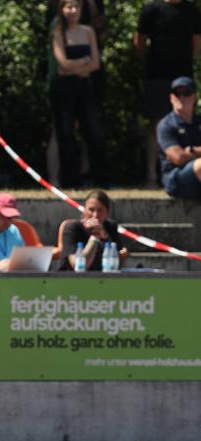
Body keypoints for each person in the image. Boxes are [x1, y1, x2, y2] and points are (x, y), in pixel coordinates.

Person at [135, 0, 201, 187]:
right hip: (156, 75)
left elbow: (196, 41)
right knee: (156, 124)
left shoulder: (192, 10)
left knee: (188, 121)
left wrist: (187, 62)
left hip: (182, 75)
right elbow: (139, 40)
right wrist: (147, 63)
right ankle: (151, 175)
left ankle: (189, 173)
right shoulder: (151, 9)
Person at [50, 0, 106, 188]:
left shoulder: (88, 31)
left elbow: (96, 63)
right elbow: (62, 65)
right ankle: (69, 180)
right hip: (64, 90)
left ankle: (99, 178)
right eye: (69, 7)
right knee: (65, 133)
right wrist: (84, 62)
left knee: (93, 131)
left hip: (85, 87)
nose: (73, 11)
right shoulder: (58, 33)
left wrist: (74, 66)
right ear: (62, 10)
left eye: (76, 7)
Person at [58, 189, 126, 271]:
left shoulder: (111, 227)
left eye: (100, 210)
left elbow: (121, 255)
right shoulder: (72, 228)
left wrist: (106, 237)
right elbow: (78, 266)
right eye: (91, 210)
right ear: (84, 210)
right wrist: (94, 237)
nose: (95, 215)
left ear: (107, 213)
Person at [156, 76, 201, 199]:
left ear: (194, 97)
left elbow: (184, 155)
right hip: (176, 180)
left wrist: (191, 151)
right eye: (177, 93)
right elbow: (178, 158)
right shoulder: (165, 125)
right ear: (171, 98)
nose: (181, 97)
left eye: (186, 93)